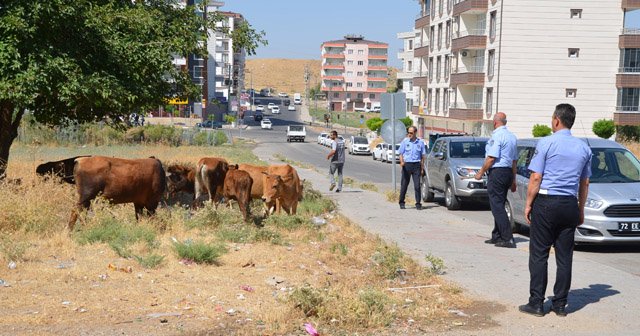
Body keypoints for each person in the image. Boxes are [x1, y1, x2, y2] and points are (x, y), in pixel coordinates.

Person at [519, 103, 591, 317]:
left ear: (556, 120)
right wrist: (580, 209)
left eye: (552, 119)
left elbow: (536, 177)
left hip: (547, 202)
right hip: (569, 203)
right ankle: (560, 304)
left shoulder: (547, 143)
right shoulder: (584, 148)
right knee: (564, 256)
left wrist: (529, 203)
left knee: (539, 254)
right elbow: (584, 183)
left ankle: (537, 303)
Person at [474, 112, 518, 248]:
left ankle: (507, 238)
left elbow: (491, 158)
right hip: (508, 172)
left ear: (495, 122)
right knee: (499, 203)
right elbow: (515, 161)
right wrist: (514, 179)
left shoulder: (497, 136)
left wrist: (480, 172)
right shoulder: (512, 137)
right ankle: (497, 235)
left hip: (498, 172)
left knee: (497, 206)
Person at [398, 126, 427, 210]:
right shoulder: (405, 141)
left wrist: (422, 168)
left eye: (411, 133)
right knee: (404, 185)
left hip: (416, 165)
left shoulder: (420, 143)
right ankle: (401, 202)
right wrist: (402, 162)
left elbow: (422, 156)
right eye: (408, 132)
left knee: (417, 185)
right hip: (407, 165)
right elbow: (400, 153)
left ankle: (418, 203)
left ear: (415, 133)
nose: (409, 134)